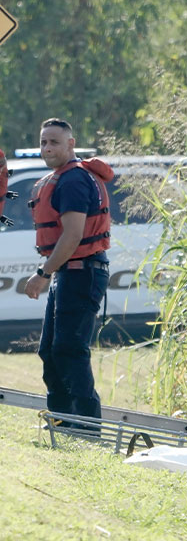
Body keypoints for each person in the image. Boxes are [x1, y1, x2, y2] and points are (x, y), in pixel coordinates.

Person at [23, 118, 114, 422]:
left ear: (71, 144)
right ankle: (63, 422)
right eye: (43, 142)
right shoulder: (62, 178)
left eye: (54, 142)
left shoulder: (73, 180)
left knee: (69, 350)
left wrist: (43, 274)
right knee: (51, 351)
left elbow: (73, 235)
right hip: (69, 273)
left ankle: (86, 427)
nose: (47, 148)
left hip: (82, 273)